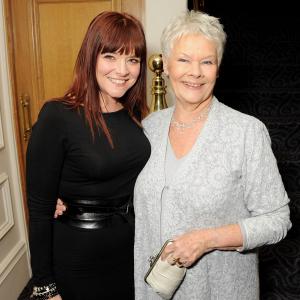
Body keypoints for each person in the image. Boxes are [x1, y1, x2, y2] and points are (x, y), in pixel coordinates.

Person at [133, 10, 292, 299]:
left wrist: (208, 239)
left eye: (207, 62)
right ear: (166, 65)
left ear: (218, 69)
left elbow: (278, 219)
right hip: (152, 290)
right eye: (184, 60)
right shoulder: (148, 129)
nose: (195, 72)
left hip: (219, 289)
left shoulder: (246, 132)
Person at [26, 11, 150, 300]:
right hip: (79, 258)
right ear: (90, 56)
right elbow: (40, 211)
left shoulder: (132, 114)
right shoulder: (58, 115)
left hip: (129, 251)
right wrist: (45, 287)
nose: (122, 70)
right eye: (110, 56)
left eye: (132, 59)